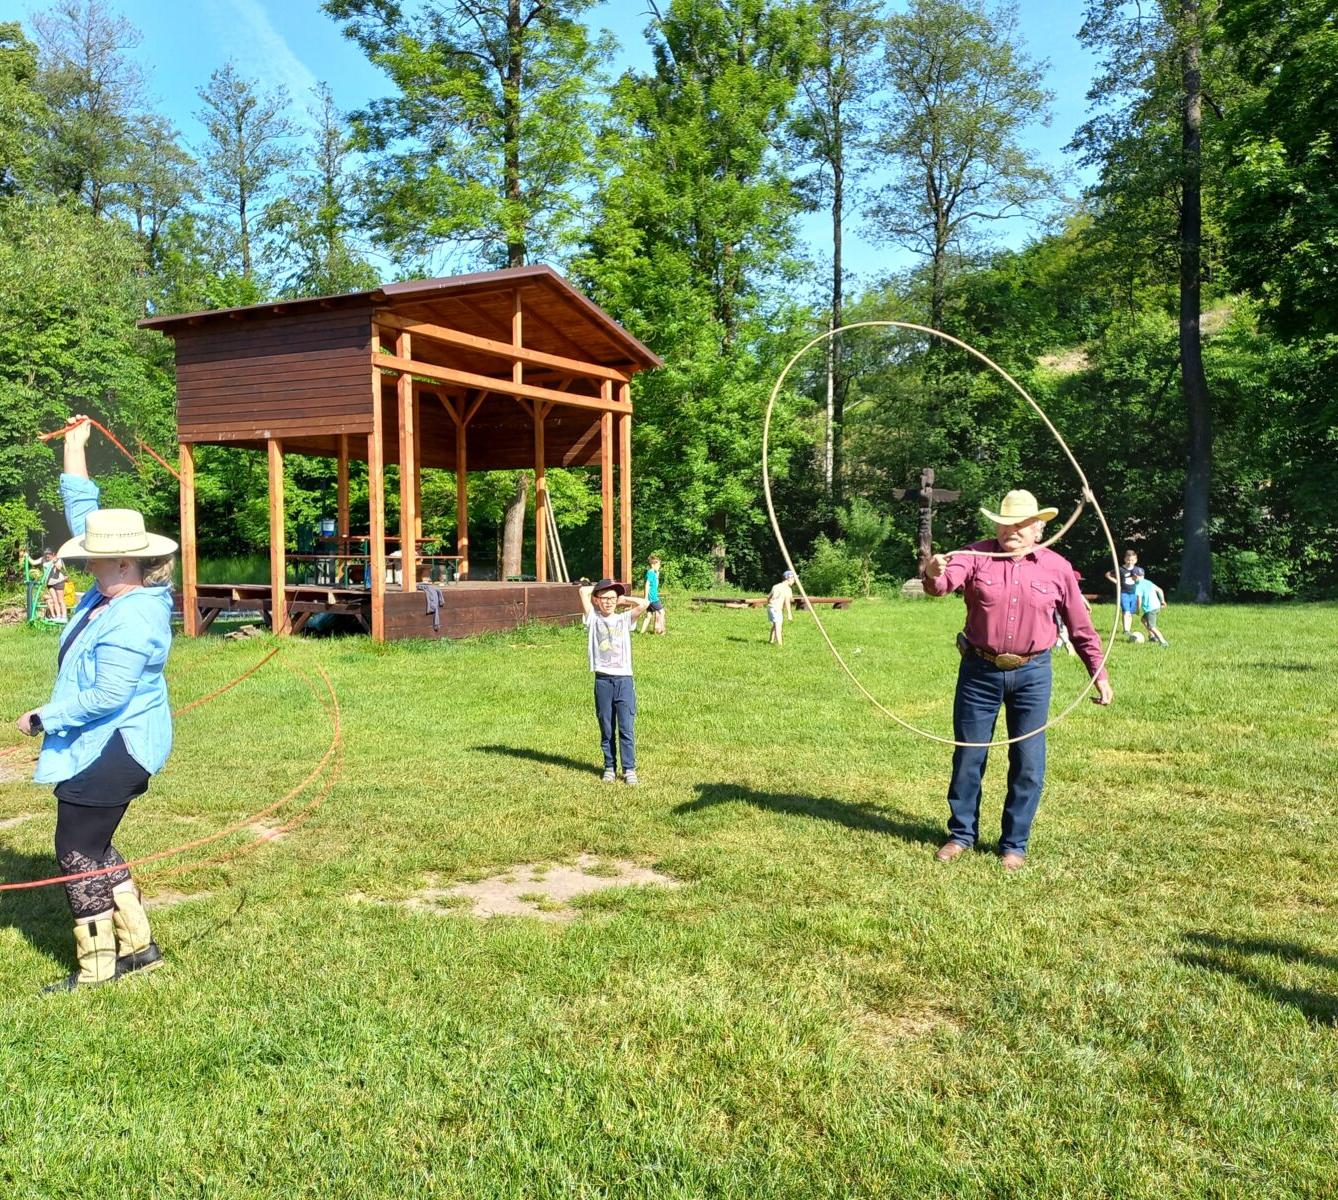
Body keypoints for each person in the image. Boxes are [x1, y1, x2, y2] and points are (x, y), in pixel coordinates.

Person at [13, 415, 177, 992]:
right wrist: (73, 452)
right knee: (96, 843)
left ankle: (99, 966)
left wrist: (44, 717)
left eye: (95, 558)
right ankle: (138, 949)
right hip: (104, 742)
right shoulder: (111, 589)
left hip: (117, 746)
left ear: (125, 562)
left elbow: (108, 694)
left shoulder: (134, 615)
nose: (85, 560)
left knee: (76, 849)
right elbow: (87, 518)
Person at [923, 489, 1113, 871]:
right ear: (996, 524)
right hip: (979, 671)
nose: (1013, 529)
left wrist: (1099, 674)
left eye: (1023, 524)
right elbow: (941, 585)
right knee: (968, 756)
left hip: (1033, 674)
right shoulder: (973, 556)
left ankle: (1014, 844)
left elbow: (1081, 627)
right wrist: (933, 571)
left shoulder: (1057, 568)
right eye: (1006, 522)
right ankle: (961, 834)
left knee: (1028, 761)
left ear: (1038, 530)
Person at [579, 579, 650, 785]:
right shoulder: (592, 619)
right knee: (607, 728)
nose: (609, 602)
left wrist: (622, 599)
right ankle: (609, 767)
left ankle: (629, 769)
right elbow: (583, 591)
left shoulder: (624, 619)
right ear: (597, 600)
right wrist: (599, 590)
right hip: (602, 680)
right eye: (605, 598)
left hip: (624, 680)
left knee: (626, 727)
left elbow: (644, 604)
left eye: (612, 598)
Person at [1106, 549, 1139, 638]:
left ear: (1135, 560)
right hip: (1124, 593)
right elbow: (1108, 574)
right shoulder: (1120, 569)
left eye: (1132, 560)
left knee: (1131, 613)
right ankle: (1126, 630)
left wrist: (1137, 579)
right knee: (1126, 611)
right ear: (1125, 559)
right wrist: (1117, 582)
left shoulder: (1137, 570)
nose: (1130, 562)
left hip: (1134, 593)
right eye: (1128, 560)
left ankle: (1128, 628)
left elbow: (1140, 580)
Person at [1132, 567, 1169, 647]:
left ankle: (1163, 642)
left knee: (1152, 626)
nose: (1132, 579)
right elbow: (1159, 590)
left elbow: (1139, 599)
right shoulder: (1148, 582)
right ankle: (1152, 636)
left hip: (1150, 609)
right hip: (1156, 606)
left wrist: (1137, 609)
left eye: (1132, 577)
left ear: (1135, 576)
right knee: (1143, 620)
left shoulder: (1138, 586)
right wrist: (1162, 601)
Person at [767, 569, 796, 646]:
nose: (794, 581)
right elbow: (787, 602)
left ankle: (771, 640)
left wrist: (769, 602)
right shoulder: (787, 589)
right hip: (777, 609)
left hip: (770, 607)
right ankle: (780, 645)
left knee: (775, 624)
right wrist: (789, 614)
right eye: (793, 579)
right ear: (789, 578)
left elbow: (769, 596)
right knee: (778, 626)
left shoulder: (776, 586)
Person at [638, 554, 666, 635]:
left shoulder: (654, 572)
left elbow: (655, 584)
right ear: (653, 565)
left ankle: (641, 632)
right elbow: (647, 584)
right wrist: (646, 597)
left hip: (652, 597)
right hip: (652, 598)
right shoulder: (650, 572)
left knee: (649, 616)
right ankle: (663, 631)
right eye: (658, 565)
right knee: (662, 612)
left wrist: (657, 574)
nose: (659, 566)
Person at [43, 550, 68, 622]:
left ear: (53, 554)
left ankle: (64, 617)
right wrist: (27, 556)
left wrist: (54, 561)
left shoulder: (58, 559)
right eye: (46, 554)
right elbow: (34, 562)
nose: (47, 555)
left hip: (58, 582)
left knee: (60, 600)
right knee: (54, 600)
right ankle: (58, 616)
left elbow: (59, 567)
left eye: (49, 554)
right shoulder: (44, 560)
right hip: (50, 583)